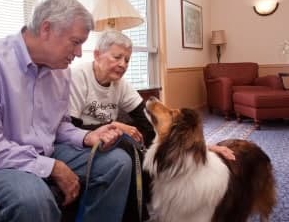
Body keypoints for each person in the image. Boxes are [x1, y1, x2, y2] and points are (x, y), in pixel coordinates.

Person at [0, 0, 133, 222]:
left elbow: (59, 126)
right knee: (33, 197)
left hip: (40, 151)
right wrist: (52, 167)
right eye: (75, 42)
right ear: (46, 29)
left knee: (117, 163)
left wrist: (87, 136)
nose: (80, 53)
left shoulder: (61, 71)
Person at [68, 30, 236, 221]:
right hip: (80, 143)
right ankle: (139, 215)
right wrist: (114, 126)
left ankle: (159, 204)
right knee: (127, 146)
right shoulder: (77, 77)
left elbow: (147, 123)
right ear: (97, 54)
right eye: (117, 57)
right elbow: (70, 128)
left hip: (110, 139)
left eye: (127, 59)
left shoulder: (120, 84)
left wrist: (192, 147)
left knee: (142, 144)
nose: (123, 64)